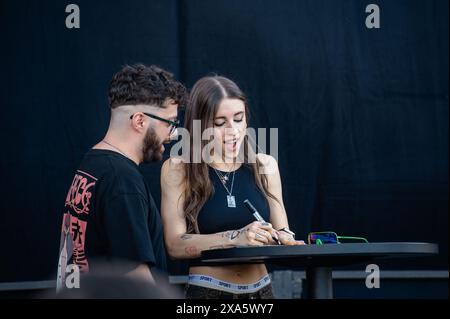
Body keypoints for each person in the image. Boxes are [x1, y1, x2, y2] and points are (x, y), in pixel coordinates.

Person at [161, 75, 304, 299]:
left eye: (239, 119)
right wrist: (236, 237)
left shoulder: (265, 165)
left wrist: (284, 237)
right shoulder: (178, 169)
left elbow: (283, 229)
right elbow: (174, 245)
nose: (233, 131)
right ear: (200, 125)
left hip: (262, 292)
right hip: (209, 292)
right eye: (219, 123)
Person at [56, 64, 187, 291]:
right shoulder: (122, 180)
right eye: (171, 122)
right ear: (139, 121)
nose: (174, 134)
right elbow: (137, 283)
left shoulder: (92, 163)